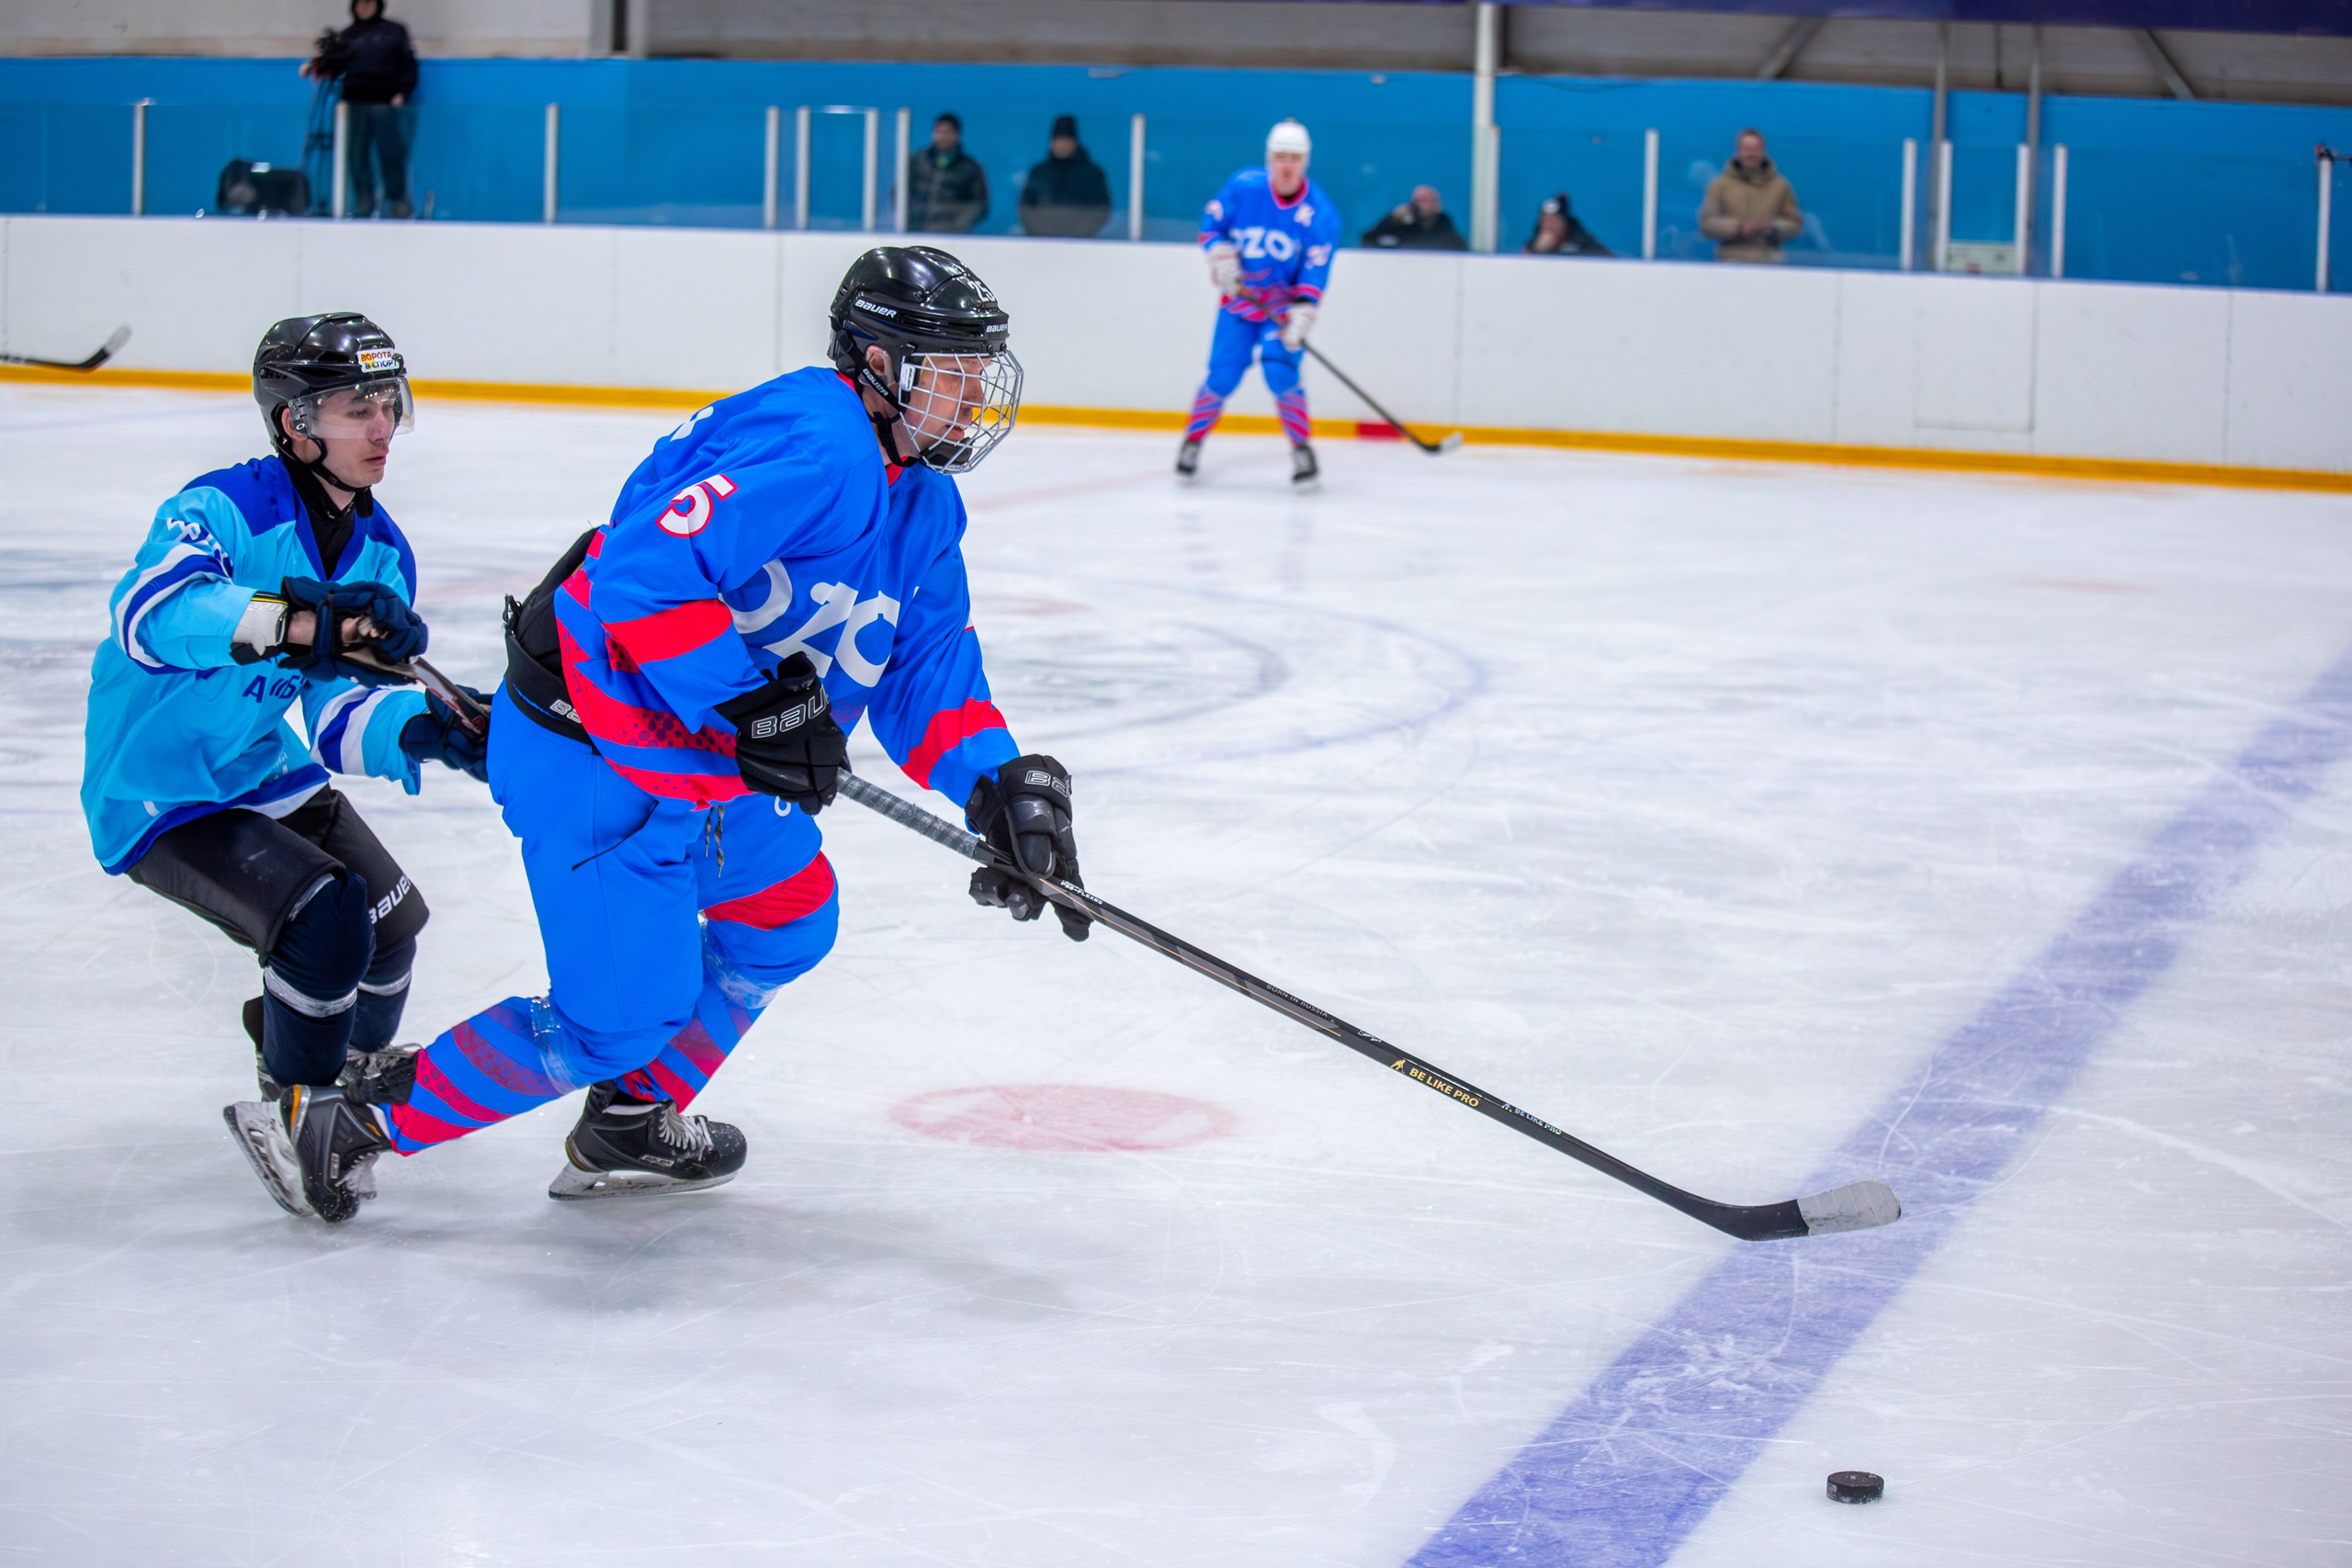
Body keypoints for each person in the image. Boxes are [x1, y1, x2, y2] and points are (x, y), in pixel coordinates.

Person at [240, 246, 1091, 1226]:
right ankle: (342, 1126)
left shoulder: (921, 500)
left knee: (787, 914)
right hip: (594, 753)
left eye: (980, 373)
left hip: (700, 762)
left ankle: (630, 1120)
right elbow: (643, 573)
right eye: (951, 373)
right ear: (875, 363)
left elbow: (925, 669)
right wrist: (752, 702)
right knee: (619, 1018)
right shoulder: (821, 443)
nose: (974, 396)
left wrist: (999, 787)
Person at [79, 312, 490, 1213]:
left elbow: (334, 712)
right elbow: (149, 616)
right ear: (295, 423)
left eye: (388, 402)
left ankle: (332, 1062)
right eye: (355, 405)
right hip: (160, 787)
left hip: (260, 767)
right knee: (325, 916)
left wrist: (424, 729)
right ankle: (296, 1107)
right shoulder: (222, 507)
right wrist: (304, 621)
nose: (382, 425)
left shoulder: (383, 550)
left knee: (391, 928)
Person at [1177, 118, 1341, 494]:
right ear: (1269, 158)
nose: (1286, 165)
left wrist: (1303, 313)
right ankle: (1192, 441)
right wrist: (1220, 257)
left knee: (1280, 372)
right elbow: (1211, 225)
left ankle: (1302, 451)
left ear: (1305, 162)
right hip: (1239, 302)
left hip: (1281, 311)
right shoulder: (1244, 187)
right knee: (1222, 375)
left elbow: (1316, 271)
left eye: (1294, 158)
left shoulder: (1321, 214)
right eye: (1280, 157)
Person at [302, 0, 418, 220]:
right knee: (356, 155)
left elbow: (408, 65)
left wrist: (402, 92)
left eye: (369, 2)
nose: (364, 8)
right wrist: (315, 65)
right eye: (360, 3)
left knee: (390, 153)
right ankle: (364, 200)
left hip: (385, 104)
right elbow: (334, 65)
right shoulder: (347, 36)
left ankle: (397, 200)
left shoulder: (394, 32)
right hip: (355, 104)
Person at [1699, 130, 1802, 264]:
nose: (1751, 154)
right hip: (1729, 262)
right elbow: (1707, 223)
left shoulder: (1781, 185)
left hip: (1770, 264)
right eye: (1746, 149)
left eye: (1755, 149)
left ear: (1763, 151)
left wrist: (1773, 228)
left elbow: (1795, 223)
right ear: (1737, 151)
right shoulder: (1720, 185)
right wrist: (1738, 228)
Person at [1017, 114, 1114, 239]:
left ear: (1075, 142)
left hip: (1082, 243)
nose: (1061, 145)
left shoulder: (1092, 173)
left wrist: (1082, 233)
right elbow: (1027, 207)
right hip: (1042, 242)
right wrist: (1039, 234)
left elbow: (1101, 208)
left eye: (1066, 140)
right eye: (1057, 141)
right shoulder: (1039, 172)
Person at [909, 113, 989, 234]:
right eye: (940, 132)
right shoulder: (917, 161)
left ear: (957, 134)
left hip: (952, 235)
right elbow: (899, 192)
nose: (943, 136)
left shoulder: (969, 167)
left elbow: (979, 204)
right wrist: (909, 217)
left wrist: (957, 225)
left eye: (948, 132)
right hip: (915, 230)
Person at [1362, 186, 1466, 251]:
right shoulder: (1404, 226)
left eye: (1425, 200)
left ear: (1436, 205)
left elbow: (1459, 247)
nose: (1419, 205)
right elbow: (1367, 239)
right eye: (1416, 201)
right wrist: (1391, 219)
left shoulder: (1444, 225)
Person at [1521, 192, 1612, 256]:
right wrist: (1537, 252)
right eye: (1545, 220)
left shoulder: (1583, 243)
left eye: (1554, 220)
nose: (1549, 226)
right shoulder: (1532, 246)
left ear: (1564, 223)